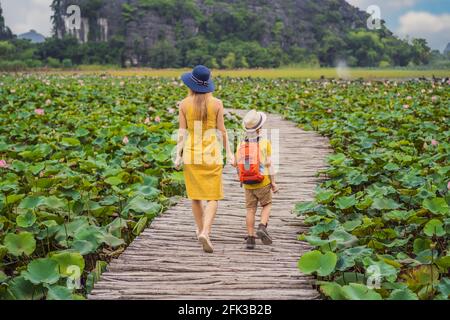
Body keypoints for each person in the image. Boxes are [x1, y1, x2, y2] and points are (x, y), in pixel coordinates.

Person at [175, 65, 235, 253]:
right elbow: (222, 131)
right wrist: (230, 153)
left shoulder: (184, 104)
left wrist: (178, 155)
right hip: (212, 154)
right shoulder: (217, 103)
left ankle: (201, 230)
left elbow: (182, 133)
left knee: (195, 196)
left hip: (192, 154)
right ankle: (206, 231)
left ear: (191, 84)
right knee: (213, 197)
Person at [235, 110, 279, 250]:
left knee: (250, 209)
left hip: (248, 184)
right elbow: (269, 165)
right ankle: (262, 226)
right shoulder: (265, 143)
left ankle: (250, 238)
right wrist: (273, 183)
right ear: (259, 128)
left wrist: (241, 179)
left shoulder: (241, 144)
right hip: (263, 182)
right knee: (267, 204)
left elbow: (238, 165)